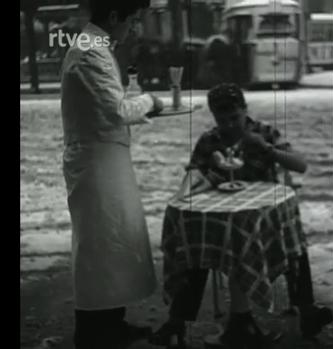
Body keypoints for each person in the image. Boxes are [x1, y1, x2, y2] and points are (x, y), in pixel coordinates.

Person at [149, 83, 332, 348]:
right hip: (221, 220)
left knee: (292, 243)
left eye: (234, 118)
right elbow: (192, 175)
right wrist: (206, 173)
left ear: (245, 111)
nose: (230, 125)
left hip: (261, 219)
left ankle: (307, 312)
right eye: (222, 120)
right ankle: (177, 322)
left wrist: (267, 149)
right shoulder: (210, 140)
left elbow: (300, 165)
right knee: (196, 247)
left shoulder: (264, 132)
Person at [60, 1, 165, 348]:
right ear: (116, 17)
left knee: (114, 245)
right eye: (133, 20)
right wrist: (152, 101)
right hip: (96, 163)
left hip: (105, 159)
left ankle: (112, 323)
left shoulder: (96, 46)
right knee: (99, 250)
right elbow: (118, 110)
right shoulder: (91, 51)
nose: (135, 28)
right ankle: (92, 332)